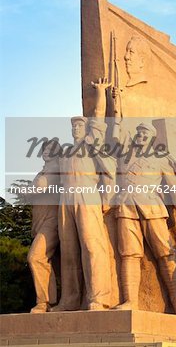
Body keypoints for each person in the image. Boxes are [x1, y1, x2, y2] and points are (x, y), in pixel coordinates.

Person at [114, 121, 176, 316]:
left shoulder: (160, 159)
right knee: (129, 254)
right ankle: (130, 301)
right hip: (126, 207)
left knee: (165, 254)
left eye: (145, 135)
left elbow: (173, 185)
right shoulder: (124, 156)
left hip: (152, 207)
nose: (140, 137)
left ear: (151, 138)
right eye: (139, 134)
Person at [51, 78, 116, 312]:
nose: (76, 129)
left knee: (92, 245)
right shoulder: (66, 151)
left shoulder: (91, 143)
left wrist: (100, 92)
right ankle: (69, 298)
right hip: (65, 200)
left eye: (79, 126)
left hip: (87, 196)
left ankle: (98, 297)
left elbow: (98, 117)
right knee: (68, 249)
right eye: (74, 127)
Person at [26, 139, 60, 313]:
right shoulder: (44, 171)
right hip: (40, 222)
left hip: (51, 221)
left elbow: (38, 188)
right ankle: (51, 302)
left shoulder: (55, 169)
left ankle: (44, 301)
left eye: (51, 149)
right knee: (47, 262)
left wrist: (29, 189)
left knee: (35, 257)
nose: (47, 151)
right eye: (45, 149)